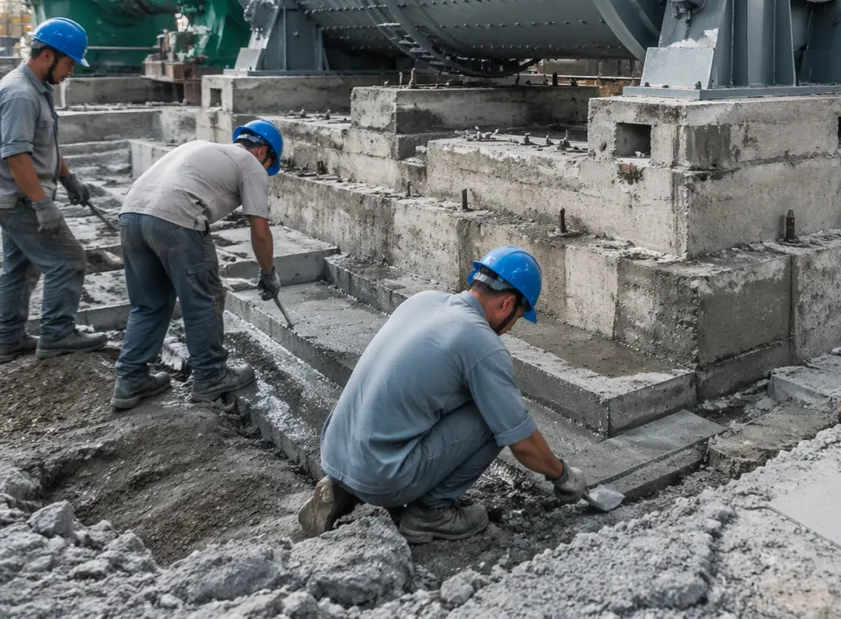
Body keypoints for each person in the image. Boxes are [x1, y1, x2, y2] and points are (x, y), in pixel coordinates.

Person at [299, 246, 589, 544]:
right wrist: (562, 475)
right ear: (507, 303)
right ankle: (430, 514)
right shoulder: (481, 342)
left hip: (334, 453)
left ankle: (340, 490)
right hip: (381, 476)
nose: (511, 327)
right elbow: (522, 442)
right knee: (496, 419)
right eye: (517, 317)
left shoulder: (423, 301)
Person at [110, 120, 285, 409]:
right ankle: (211, 376)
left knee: (149, 304)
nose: (265, 172)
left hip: (131, 216)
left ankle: (130, 379)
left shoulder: (200, 148)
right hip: (176, 219)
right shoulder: (251, 164)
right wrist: (269, 273)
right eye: (268, 167)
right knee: (204, 300)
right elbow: (260, 231)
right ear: (263, 152)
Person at [0, 19, 105, 364]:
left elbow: (43, 145)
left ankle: (8, 339)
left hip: (16, 198)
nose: (71, 72)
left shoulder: (36, 89)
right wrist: (43, 204)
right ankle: (58, 334)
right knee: (68, 260)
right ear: (48, 55)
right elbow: (17, 157)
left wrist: (68, 177)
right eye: (69, 63)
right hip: (20, 200)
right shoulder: (20, 94)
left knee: (19, 267)